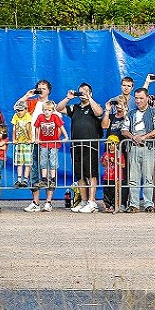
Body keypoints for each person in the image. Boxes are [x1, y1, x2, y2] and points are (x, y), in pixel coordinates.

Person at [57, 83, 103, 214]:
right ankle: (83, 200)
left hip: (90, 145)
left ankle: (92, 201)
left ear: (90, 93)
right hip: (76, 145)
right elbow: (59, 108)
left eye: (86, 91)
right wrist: (68, 98)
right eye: (80, 92)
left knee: (91, 173)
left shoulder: (94, 106)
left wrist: (89, 98)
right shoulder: (75, 107)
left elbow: (99, 112)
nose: (82, 94)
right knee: (80, 174)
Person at [122, 88, 155, 213]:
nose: (138, 101)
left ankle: (148, 204)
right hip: (133, 147)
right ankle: (134, 204)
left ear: (147, 98)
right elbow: (124, 130)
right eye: (137, 98)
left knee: (148, 177)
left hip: (148, 147)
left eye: (141, 98)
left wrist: (144, 137)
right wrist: (132, 136)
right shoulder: (131, 114)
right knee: (133, 178)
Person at [30, 100, 66, 212]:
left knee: (53, 161)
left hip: (53, 143)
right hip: (43, 143)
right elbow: (37, 127)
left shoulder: (55, 117)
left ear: (52, 110)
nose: (47, 112)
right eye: (45, 110)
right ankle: (44, 178)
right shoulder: (40, 117)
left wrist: (65, 136)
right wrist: (37, 138)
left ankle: (53, 178)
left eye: (49, 110)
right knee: (43, 161)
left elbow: (60, 127)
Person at [11, 101, 34, 187]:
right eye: (17, 110)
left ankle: (25, 179)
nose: (18, 112)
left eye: (20, 110)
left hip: (27, 143)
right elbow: (14, 128)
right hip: (19, 142)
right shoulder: (15, 116)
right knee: (19, 162)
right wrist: (13, 139)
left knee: (27, 162)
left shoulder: (27, 116)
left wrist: (30, 139)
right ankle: (19, 179)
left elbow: (28, 128)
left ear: (25, 110)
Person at [100, 135, 125, 213]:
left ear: (116, 144)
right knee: (107, 192)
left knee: (115, 192)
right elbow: (103, 165)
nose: (110, 146)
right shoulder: (106, 154)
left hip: (117, 177)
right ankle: (108, 206)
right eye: (109, 144)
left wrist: (115, 161)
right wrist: (105, 161)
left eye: (112, 144)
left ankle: (115, 206)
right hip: (107, 177)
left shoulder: (119, 154)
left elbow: (123, 165)